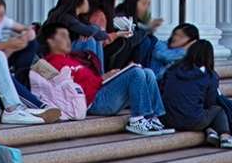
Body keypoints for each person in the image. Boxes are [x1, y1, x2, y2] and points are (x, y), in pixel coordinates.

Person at [30, 20, 172, 133]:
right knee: (136, 73)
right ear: (50, 41)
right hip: (93, 102)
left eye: (68, 36)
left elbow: (92, 81)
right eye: (62, 36)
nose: (68, 40)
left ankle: (154, 117)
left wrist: (107, 76)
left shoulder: (73, 59)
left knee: (147, 72)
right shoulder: (49, 63)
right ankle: (138, 119)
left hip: (102, 90)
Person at [159, 40, 232, 147]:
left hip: (166, 120)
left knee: (200, 112)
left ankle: (211, 132)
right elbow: (210, 102)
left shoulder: (172, 70)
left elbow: (163, 90)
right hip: (191, 121)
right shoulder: (210, 76)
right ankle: (225, 137)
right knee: (218, 110)